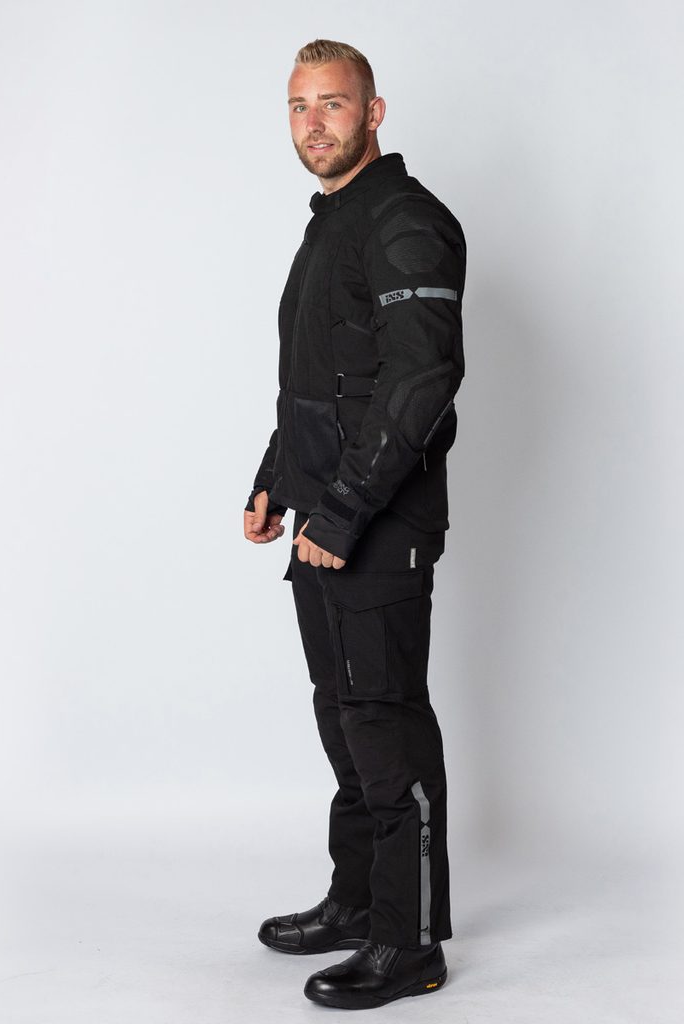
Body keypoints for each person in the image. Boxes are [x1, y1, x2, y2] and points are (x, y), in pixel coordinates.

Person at [242, 38, 466, 1010]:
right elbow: (322, 381)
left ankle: (409, 944)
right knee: (341, 716)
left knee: (384, 724)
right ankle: (359, 900)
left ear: (373, 112)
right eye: (299, 107)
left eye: (332, 104)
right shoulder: (332, 222)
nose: (314, 123)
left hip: (378, 523)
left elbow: (420, 383)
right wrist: (275, 479)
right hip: (323, 520)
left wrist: (340, 511)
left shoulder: (406, 221)